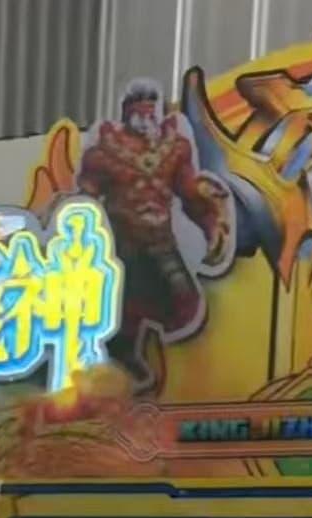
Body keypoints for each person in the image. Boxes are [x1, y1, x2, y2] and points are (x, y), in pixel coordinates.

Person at [79, 79, 232, 381]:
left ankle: (161, 362)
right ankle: (121, 357)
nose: (145, 114)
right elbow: (87, 194)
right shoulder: (106, 149)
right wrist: (78, 231)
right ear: (126, 111)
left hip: (161, 239)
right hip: (123, 242)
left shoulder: (174, 146)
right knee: (122, 304)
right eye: (138, 106)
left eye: (150, 106)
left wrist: (212, 223)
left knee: (183, 302)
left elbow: (189, 193)